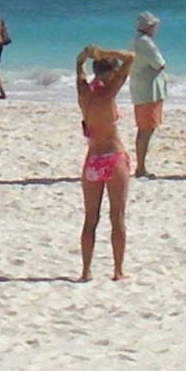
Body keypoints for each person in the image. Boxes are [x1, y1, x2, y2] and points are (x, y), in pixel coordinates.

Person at [73, 45, 132, 280]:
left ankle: (85, 271)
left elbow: (78, 64)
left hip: (92, 160)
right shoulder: (108, 94)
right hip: (113, 158)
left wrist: (86, 56)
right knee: (117, 216)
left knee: (90, 219)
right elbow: (131, 58)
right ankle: (117, 271)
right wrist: (108, 52)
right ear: (108, 73)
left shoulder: (83, 93)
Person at [127, 12, 170, 176]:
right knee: (146, 129)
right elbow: (159, 64)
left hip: (139, 88)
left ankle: (141, 166)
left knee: (143, 128)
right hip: (149, 90)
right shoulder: (146, 43)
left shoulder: (134, 41)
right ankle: (141, 168)